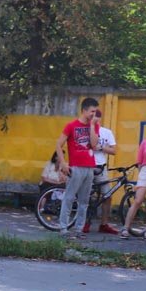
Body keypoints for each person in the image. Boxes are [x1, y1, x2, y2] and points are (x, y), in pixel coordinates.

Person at [54, 98, 100, 238]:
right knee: (69, 197)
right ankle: (63, 228)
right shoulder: (71, 125)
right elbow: (58, 144)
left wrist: (92, 126)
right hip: (75, 167)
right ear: (84, 110)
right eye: (92, 111)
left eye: (95, 111)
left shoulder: (95, 126)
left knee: (84, 201)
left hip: (89, 167)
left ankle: (79, 229)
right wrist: (63, 163)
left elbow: (93, 144)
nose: (94, 114)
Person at [89, 109, 118, 233]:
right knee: (87, 196)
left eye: (95, 117)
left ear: (99, 118)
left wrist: (101, 147)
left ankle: (104, 224)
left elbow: (113, 150)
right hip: (87, 165)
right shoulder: (86, 130)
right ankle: (85, 223)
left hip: (101, 167)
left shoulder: (106, 132)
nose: (93, 119)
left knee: (107, 195)